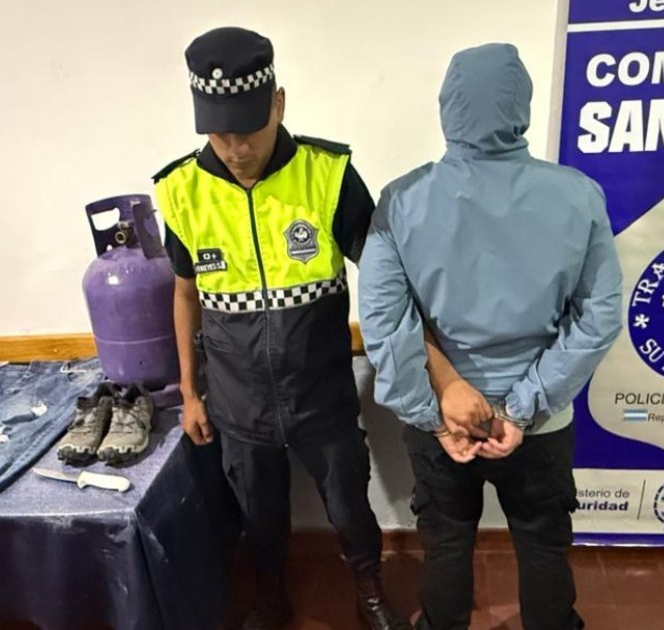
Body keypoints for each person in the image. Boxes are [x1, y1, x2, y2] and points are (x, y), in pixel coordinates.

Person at [358, 43, 623, 630]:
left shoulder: (402, 200)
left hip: (444, 417)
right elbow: (599, 316)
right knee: (543, 543)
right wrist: (523, 407)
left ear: (447, 106)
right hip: (540, 422)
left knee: (446, 543)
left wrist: (431, 416)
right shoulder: (578, 195)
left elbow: (384, 321)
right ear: (521, 105)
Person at [153, 27, 409, 630]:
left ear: (278, 103)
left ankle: (368, 588)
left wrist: (406, 362)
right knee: (259, 516)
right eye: (220, 133)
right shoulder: (181, 191)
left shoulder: (328, 174)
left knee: (349, 506)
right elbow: (185, 293)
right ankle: (270, 596)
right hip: (238, 403)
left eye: (249, 128)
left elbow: (384, 275)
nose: (236, 148)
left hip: (322, 393)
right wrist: (190, 392)